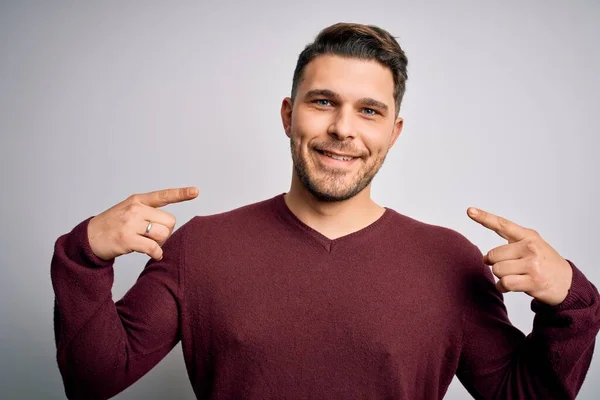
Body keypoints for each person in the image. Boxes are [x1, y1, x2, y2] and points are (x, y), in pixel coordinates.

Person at [51, 22, 600, 399]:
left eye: (368, 110)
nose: (343, 128)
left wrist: (570, 301)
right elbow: (93, 378)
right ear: (289, 115)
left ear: (393, 131)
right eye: (322, 102)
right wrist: (84, 256)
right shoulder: (200, 247)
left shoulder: (449, 259)